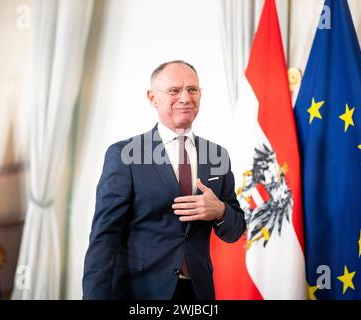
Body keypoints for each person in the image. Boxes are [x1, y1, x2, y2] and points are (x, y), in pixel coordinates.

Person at [82, 60, 245, 300]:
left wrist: (220, 210)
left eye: (192, 90)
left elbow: (235, 230)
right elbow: (104, 237)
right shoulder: (125, 154)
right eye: (174, 90)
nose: (185, 98)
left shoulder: (218, 155)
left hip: (198, 292)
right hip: (140, 293)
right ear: (152, 97)